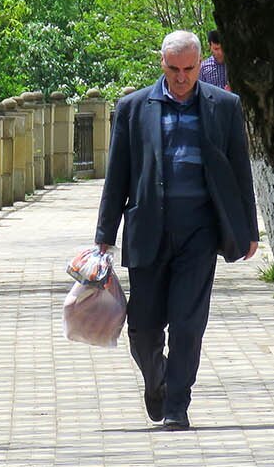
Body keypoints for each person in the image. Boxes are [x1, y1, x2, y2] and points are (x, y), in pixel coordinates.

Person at [95, 30, 259, 430]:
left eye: (188, 69)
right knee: (143, 328)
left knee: (187, 324)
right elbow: (117, 175)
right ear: (162, 64)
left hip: (199, 231)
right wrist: (105, 234)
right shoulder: (133, 108)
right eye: (174, 69)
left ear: (199, 64)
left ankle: (177, 405)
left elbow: (240, 170)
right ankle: (158, 381)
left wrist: (248, 229)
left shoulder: (224, 106)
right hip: (148, 228)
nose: (182, 77)